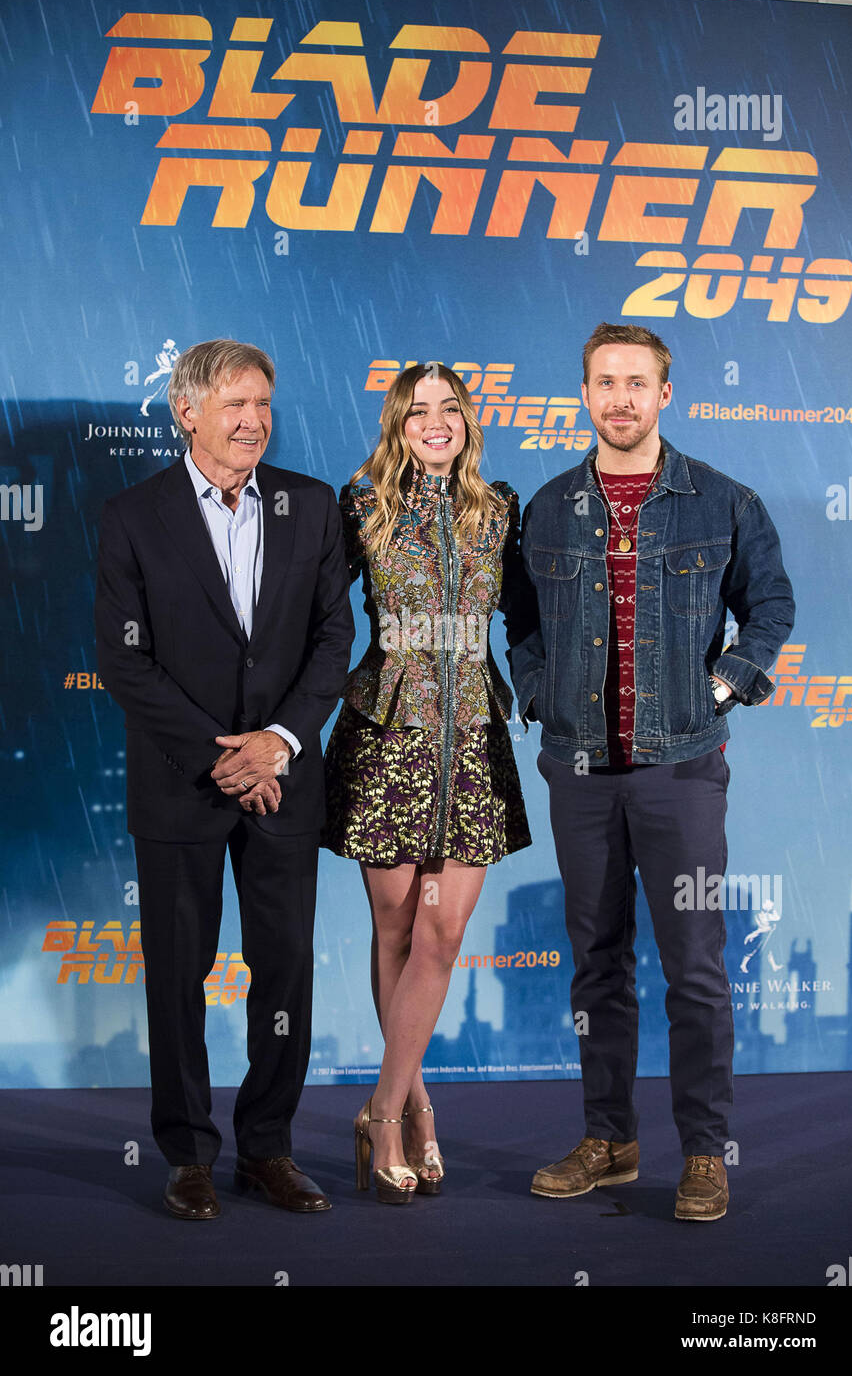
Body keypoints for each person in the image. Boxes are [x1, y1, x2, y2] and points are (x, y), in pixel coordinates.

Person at [507, 323, 794, 1221]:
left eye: (638, 382)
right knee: (596, 965)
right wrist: (541, 695)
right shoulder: (549, 507)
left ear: (666, 394)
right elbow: (521, 624)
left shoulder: (723, 501)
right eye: (604, 382)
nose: (621, 398)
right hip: (581, 771)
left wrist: (723, 686)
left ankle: (704, 1152)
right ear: (584, 394)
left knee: (696, 967)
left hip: (682, 768)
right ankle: (612, 1140)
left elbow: (772, 605)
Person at [95, 339, 353, 1219]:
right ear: (187, 411)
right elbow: (126, 666)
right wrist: (222, 758)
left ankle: (268, 1150)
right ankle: (188, 1154)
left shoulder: (312, 507)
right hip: (180, 788)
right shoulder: (132, 516)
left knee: (284, 974)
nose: (253, 421)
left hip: (284, 783)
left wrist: (277, 743)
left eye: (263, 404)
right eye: (236, 403)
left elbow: (332, 641)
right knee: (176, 974)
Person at [323, 362, 531, 1203]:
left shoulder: (497, 511)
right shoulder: (362, 507)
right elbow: (313, 615)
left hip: (473, 745)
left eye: (449, 408)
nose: (435, 423)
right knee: (399, 930)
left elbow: (534, 616)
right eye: (418, 411)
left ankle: (382, 1111)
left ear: (469, 419)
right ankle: (413, 1110)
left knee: (442, 938)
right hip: (389, 743)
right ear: (397, 423)